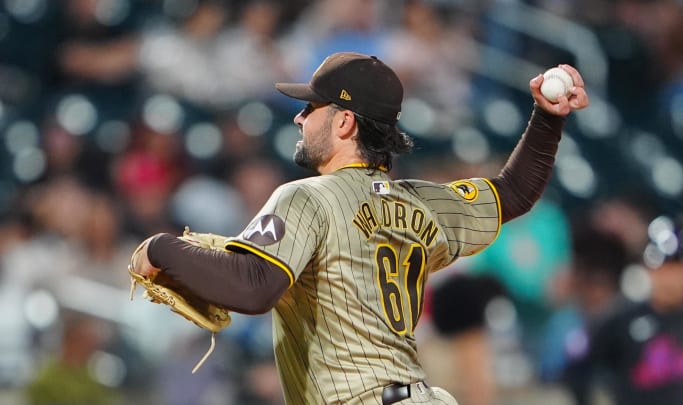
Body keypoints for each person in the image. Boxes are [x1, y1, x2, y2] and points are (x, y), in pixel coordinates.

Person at [130, 52, 589, 404]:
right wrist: (547, 118)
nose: (299, 117)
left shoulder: (307, 196)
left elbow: (254, 289)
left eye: (311, 108)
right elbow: (515, 192)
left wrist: (163, 248)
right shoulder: (422, 203)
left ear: (345, 121)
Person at [568, 215, 683, 405]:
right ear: (647, 269)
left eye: (677, 267)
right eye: (662, 268)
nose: (670, 278)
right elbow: (577, 366)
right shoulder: (623, 321)